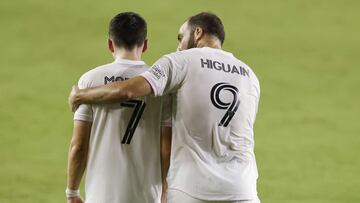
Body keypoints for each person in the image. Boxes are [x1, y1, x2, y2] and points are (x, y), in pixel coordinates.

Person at [69, 12, 261, 203]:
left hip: (192, 189)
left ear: (198, 33)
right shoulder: (250, 76)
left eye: (181, 37)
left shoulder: (181, 61)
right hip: (242, 189)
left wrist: (82, 95)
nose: (179, 46)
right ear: (145, 44)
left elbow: (130, 90)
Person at [66, 12, 166, 203]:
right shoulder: (159, 85)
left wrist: (72, 192)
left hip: (101, 195)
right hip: (147, 195)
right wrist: (165, 193)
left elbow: (78, 145)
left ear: (110, 44)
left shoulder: (90, 80)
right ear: (145, 44)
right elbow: (166, 147)